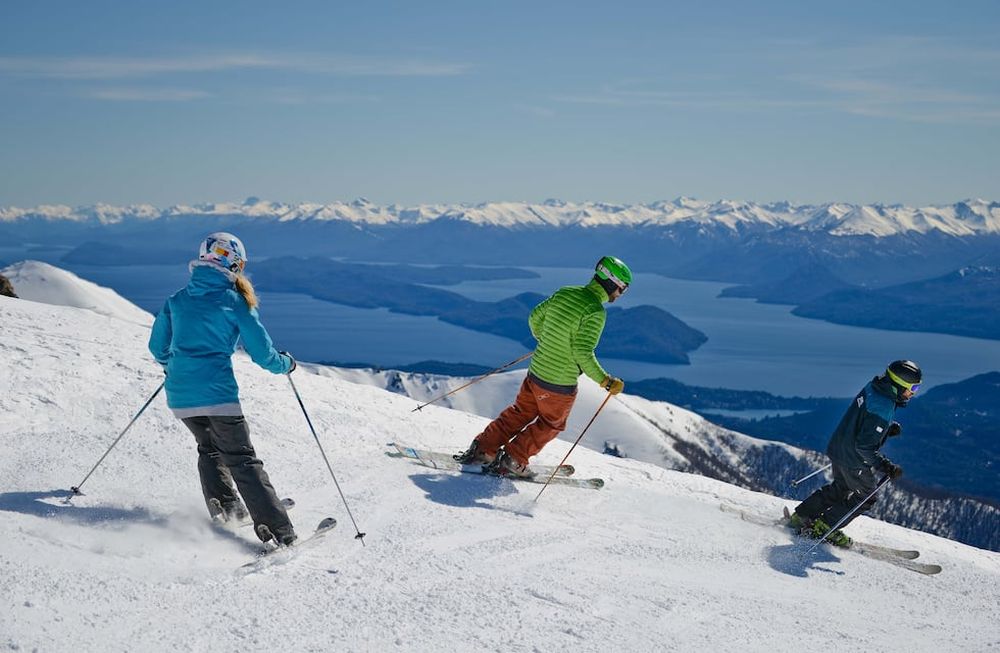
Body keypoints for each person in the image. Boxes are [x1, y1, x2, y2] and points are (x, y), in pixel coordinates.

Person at [148, 232, 298, 546]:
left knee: (209, 447)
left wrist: (176, 367)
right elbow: (262, 354)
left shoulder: (176, 300)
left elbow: (157, 347)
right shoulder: (234, 300)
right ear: (232, 261)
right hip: (217, 394)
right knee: (242, 458)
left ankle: (227, 510)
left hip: (180, 392)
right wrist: (286, 364)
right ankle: (277, 531)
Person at [454, 256, 632, 478]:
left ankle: (483, 449)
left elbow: (534, 318)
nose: (621, 294)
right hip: (559, 383)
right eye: (623, 289)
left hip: (536, 372)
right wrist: (605, 381)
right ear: (612, 282)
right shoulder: (595, 312)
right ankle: (513, 459)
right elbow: (582, 352)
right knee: (551, 423)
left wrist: (548, 340)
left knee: (520, 413)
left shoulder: (566, 292)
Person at [789, 360, 922, 546]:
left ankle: (802, 516)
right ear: (900, 385)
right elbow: (864, 447)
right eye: (913, 388)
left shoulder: (875, 387)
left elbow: (863, 420)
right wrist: (886, 466)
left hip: (838, 447)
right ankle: (824, 528)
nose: (913, 393)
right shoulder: (884, 406)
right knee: (867, 496)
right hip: (853, 459)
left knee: (841, 488)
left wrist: (885, 429)